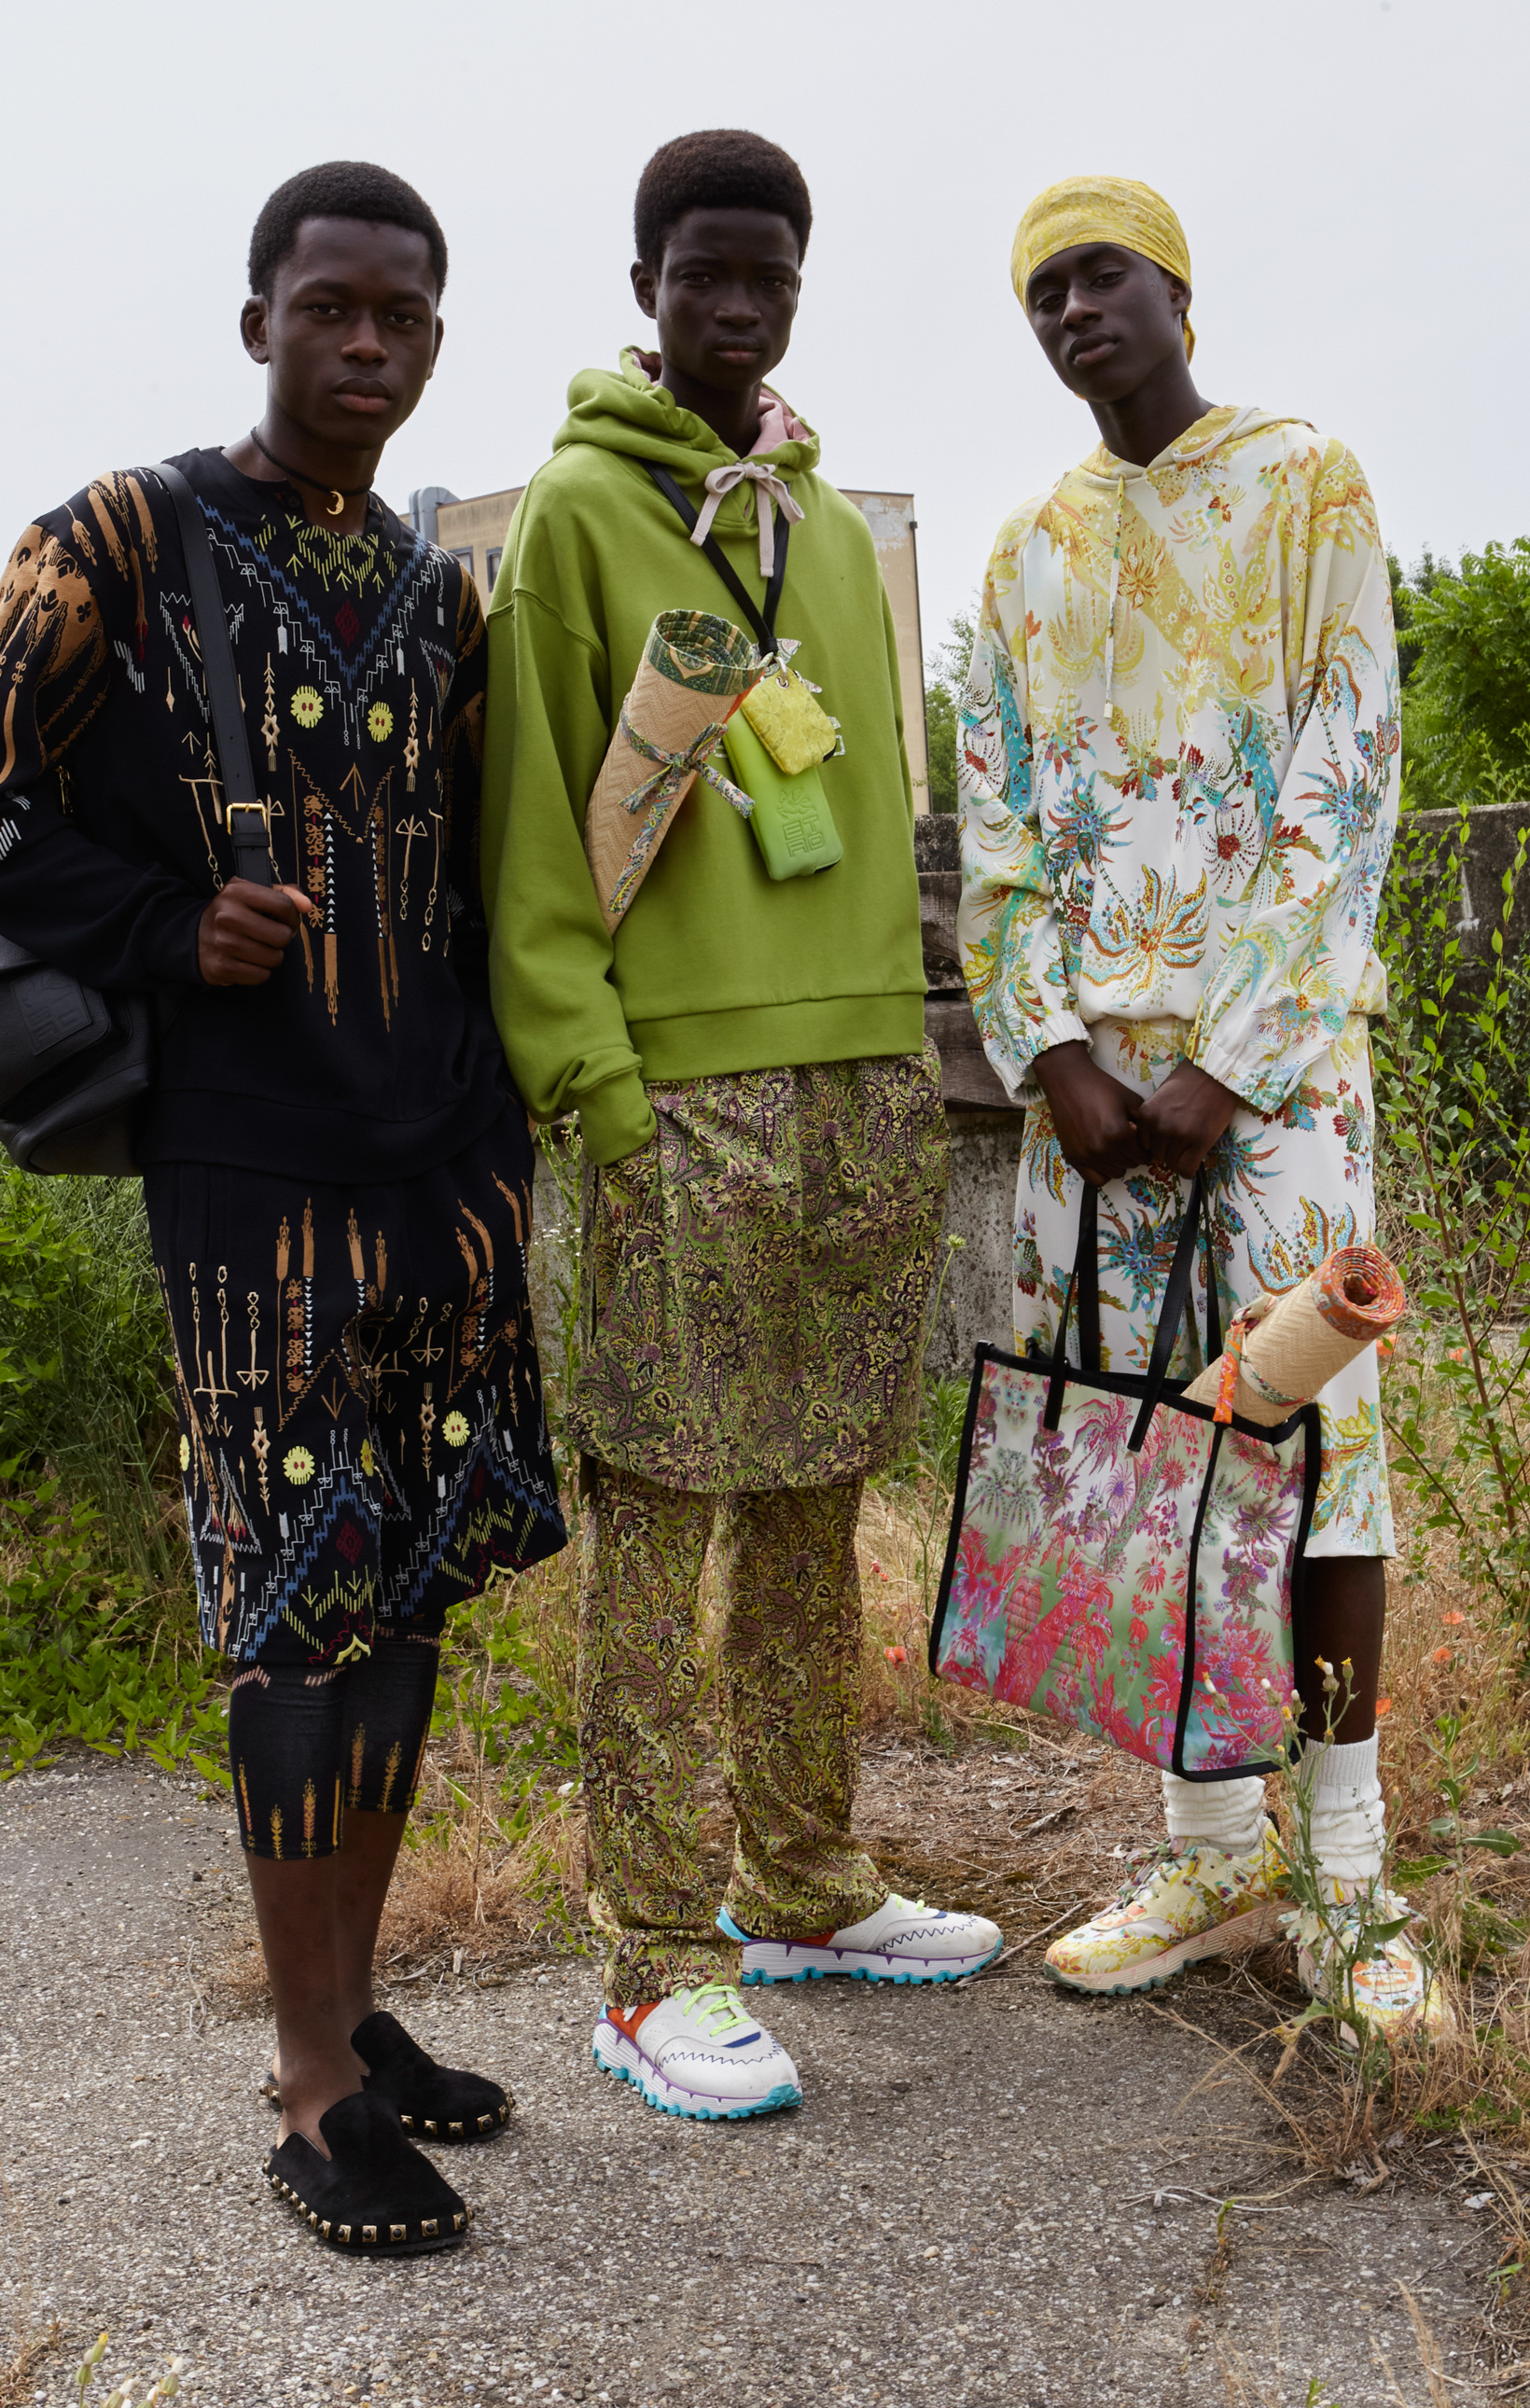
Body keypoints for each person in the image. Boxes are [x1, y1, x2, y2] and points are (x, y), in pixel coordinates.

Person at [0, 160, 566, 2248]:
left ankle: (357, 2017)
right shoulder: (115, 538)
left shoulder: (437, 589)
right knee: (299, 1612)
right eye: (327, 309)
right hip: (251, 1177)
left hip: (441, 1161)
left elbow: (482, 874)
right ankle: (305, 2094)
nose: (363, 345)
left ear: (435, 341)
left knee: (405, 1600)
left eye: (401, 315)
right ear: (257, 321)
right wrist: (164, 919)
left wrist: (511, 1132)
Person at [482, 126, 1000, 2123]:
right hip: (674, 1097)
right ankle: (649, 1961)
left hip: (856, 1080)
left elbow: (865, 813)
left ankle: (804, 1878)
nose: (733, 301)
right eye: (699, 270)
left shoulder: (819, 526)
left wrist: (900, 1048)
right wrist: (595, 1090)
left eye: (766, 271)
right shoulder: (575, 518)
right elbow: (539, 821)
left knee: (809, 1505)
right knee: (659, 1522)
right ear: (642, 289)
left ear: (796, 284)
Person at [958, 174, 1440, 2038]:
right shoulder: (1021, 555)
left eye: (1104, 277)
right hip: (1090, 1096)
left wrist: (1222, 1062)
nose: (1076, 311)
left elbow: (1349, 772)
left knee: (1315, 1462)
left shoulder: (1307, 481)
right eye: (1044, 294)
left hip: (1278, 1072)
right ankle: (1203, 1847)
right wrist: (1058, 1058)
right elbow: (995, 831)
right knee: (1145, 1464)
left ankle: (1344, 1875)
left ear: (1177, 290)